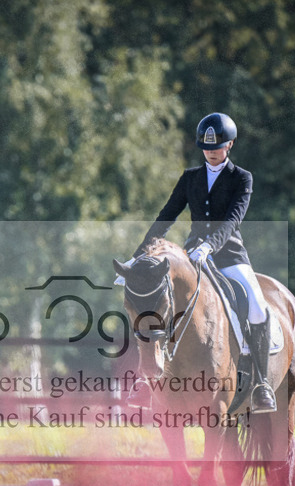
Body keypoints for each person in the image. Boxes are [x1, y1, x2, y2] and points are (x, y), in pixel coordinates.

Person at [123, 112, 277, 413]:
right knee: (150, 303)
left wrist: (211, 245)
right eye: (206, 147)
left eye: (217, 146)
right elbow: (167, 215)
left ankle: (262, 383)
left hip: (229, 254)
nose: (211, 151)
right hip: (192, 256)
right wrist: (139, 256)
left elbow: (233, 219)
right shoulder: (190, 178)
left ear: (229, 145)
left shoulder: (241, 178)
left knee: (257, 305)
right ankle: (144, 381)